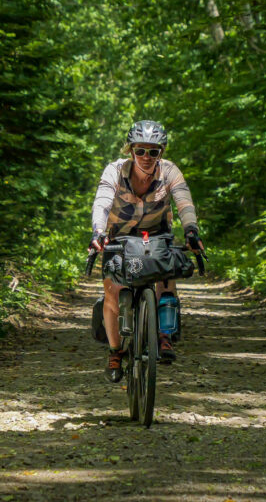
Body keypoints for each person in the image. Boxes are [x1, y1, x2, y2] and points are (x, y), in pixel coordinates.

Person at [89, 120, 205, 383]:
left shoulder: (169, 171)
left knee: (166, 281)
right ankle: (115, 352)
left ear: (161, 152)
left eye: (153, 151)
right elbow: (102, 201)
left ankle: (164, 337)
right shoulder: (115, 171)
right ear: (131, 150)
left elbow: (184, 202)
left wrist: (191, 230)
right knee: (112, 292)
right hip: (118, 237)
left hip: (157, 236)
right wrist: (98, 231)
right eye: (140, 150)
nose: (146, 157)